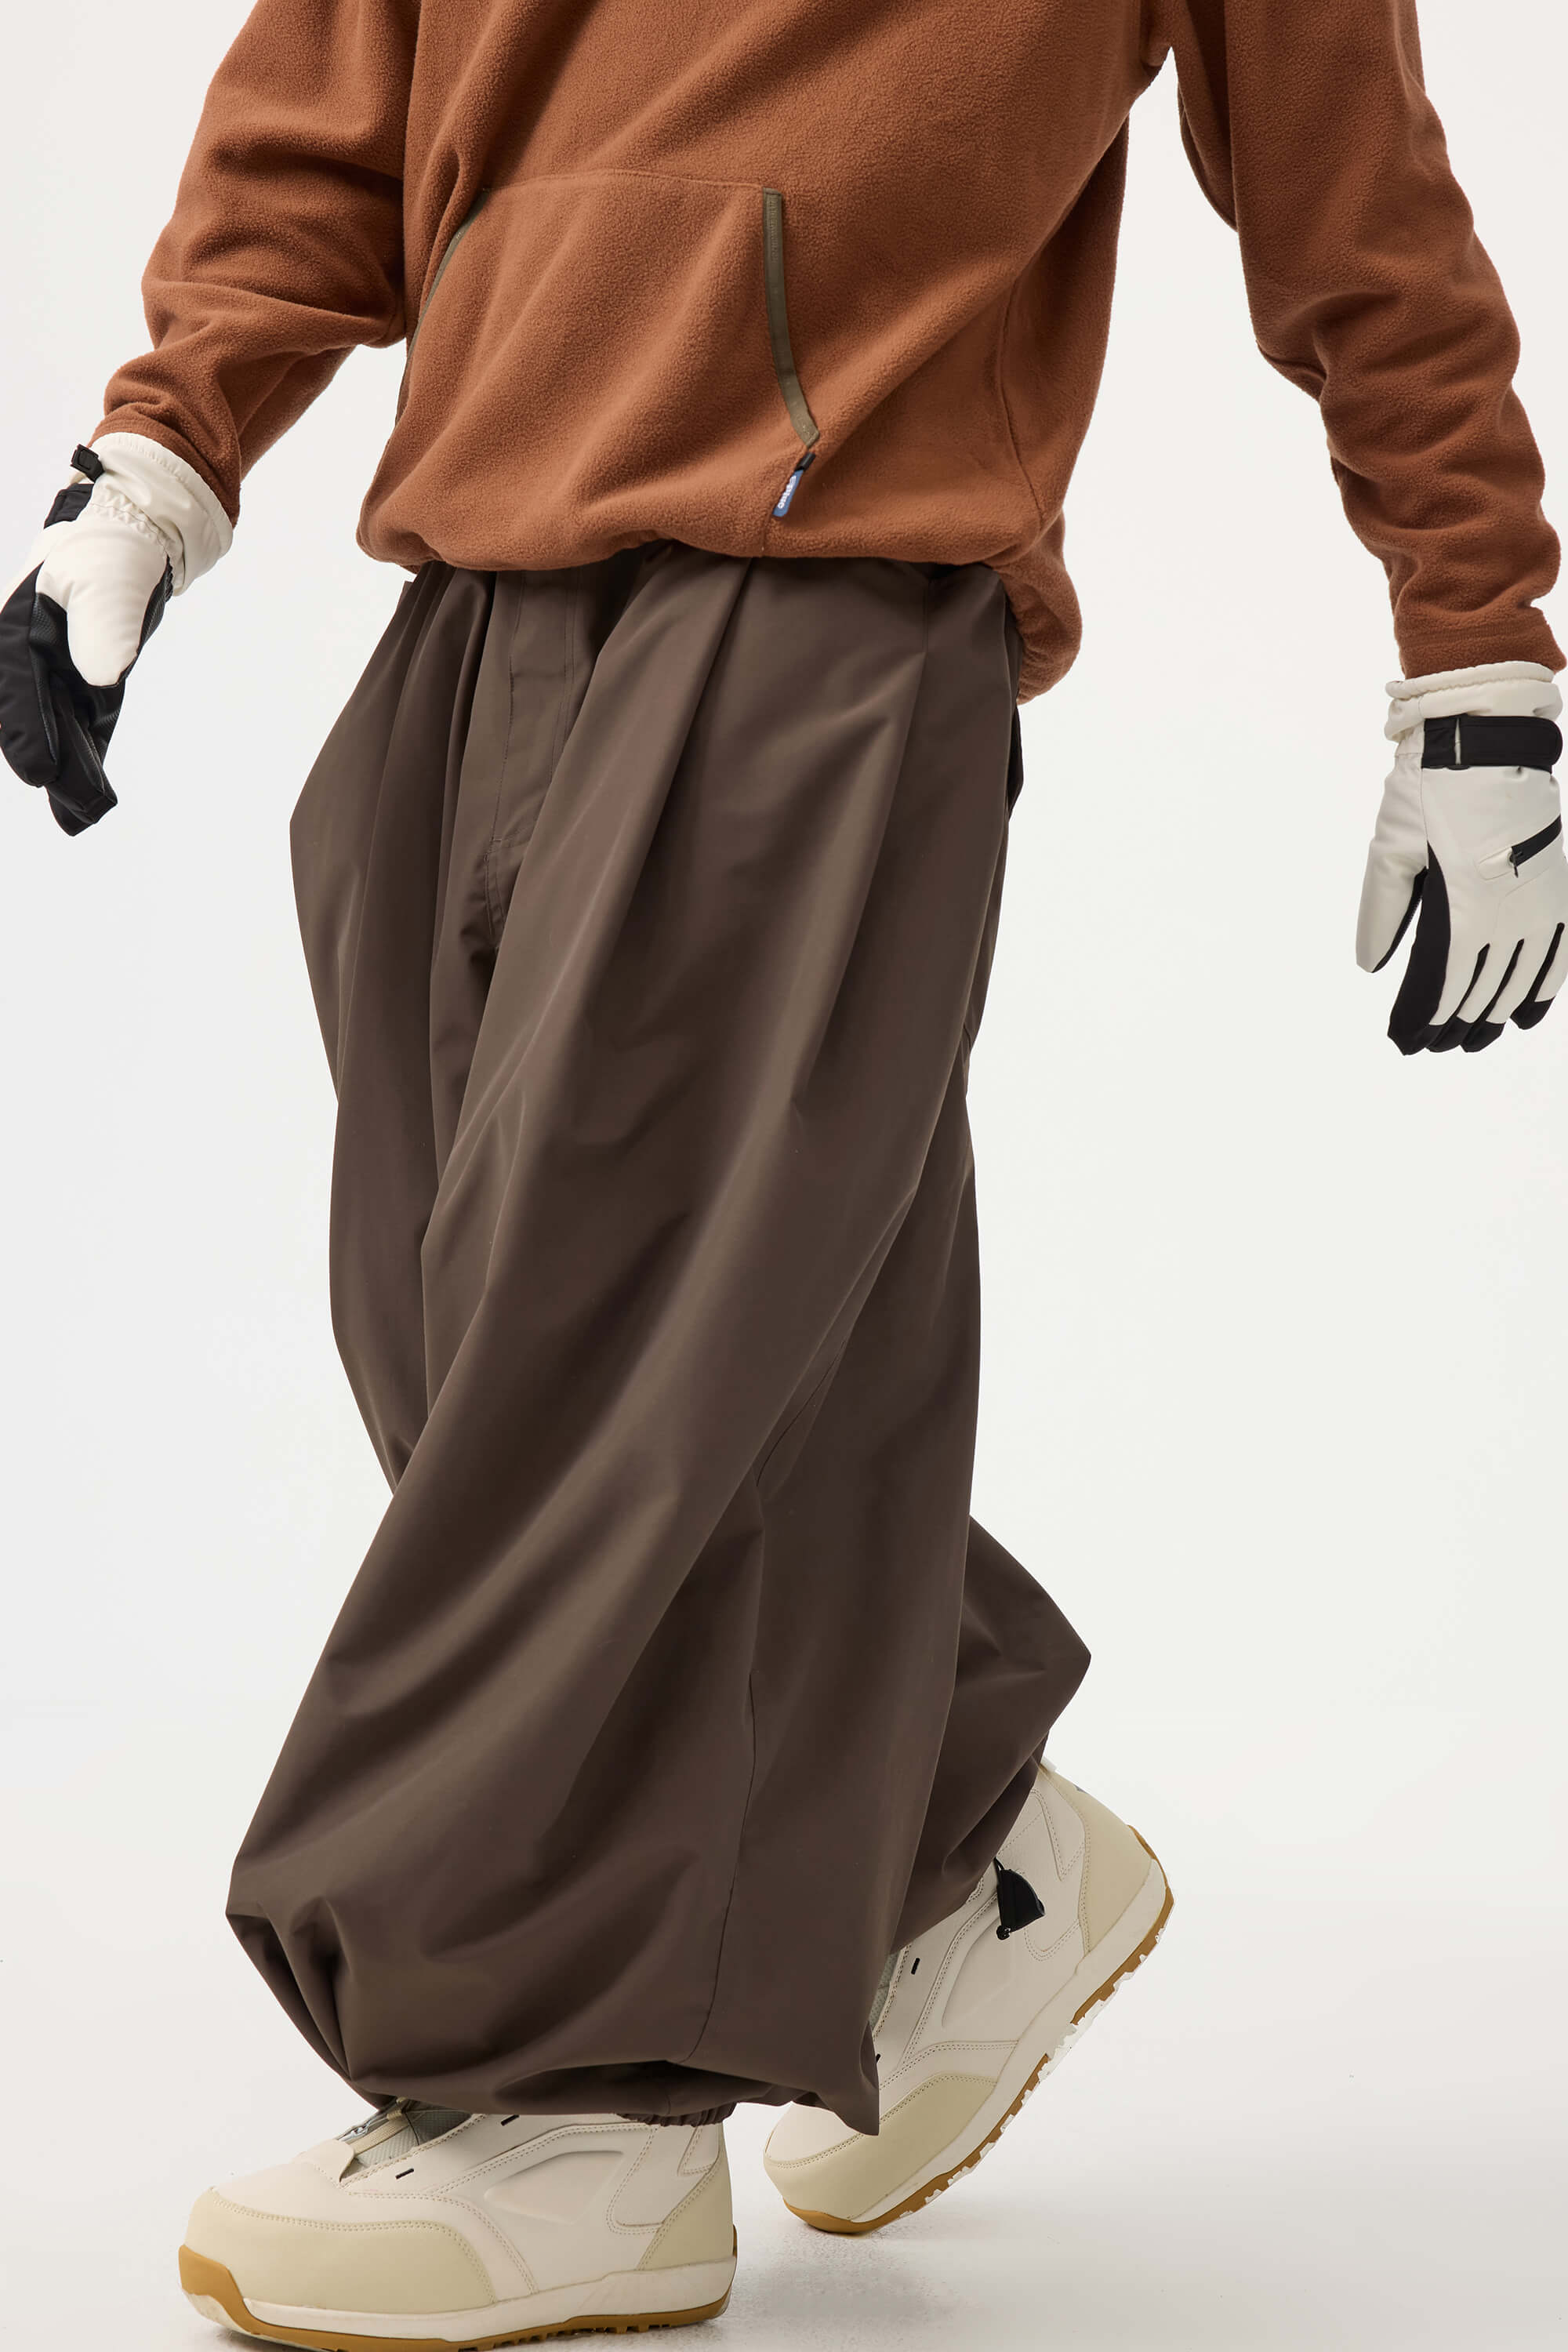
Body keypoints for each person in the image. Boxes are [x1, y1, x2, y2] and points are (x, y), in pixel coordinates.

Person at [3, 0, 1563, 2342]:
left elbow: (1356, 190)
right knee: (485, 1327)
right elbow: (337, 89)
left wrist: (1480, 651)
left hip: (818, 586)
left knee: (601, 1347)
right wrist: (155, 464)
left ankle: (576, 2110)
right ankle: (960, 1855)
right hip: (481, 572)